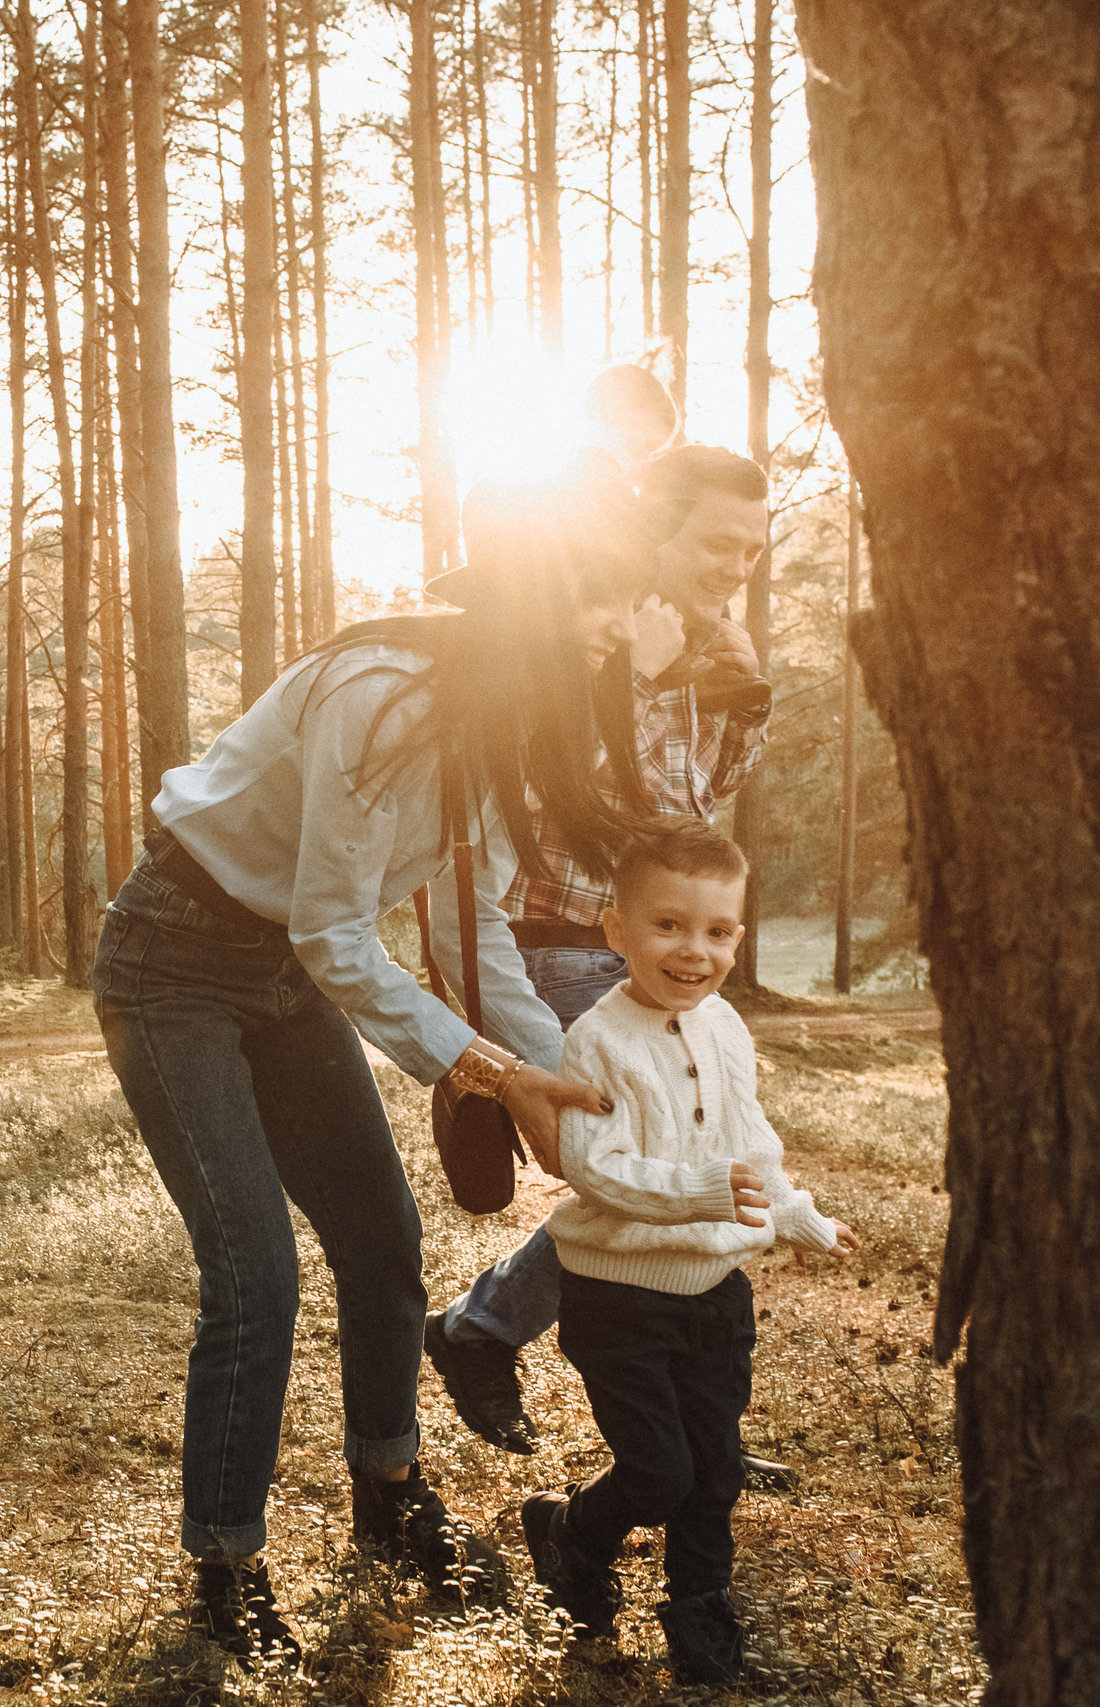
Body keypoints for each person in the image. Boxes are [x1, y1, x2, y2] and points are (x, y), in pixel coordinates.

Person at [90, 468, 669, 1662]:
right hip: (176, 959)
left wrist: (558, 1075)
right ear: (536, 604)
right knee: (254, 1273)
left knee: (382, 1240)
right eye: (607, 599)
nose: (622, 626)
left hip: (288, 976)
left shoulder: (504, 721)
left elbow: (471, 930)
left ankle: (388, 1496)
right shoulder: (381, 691)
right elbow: (335, 930)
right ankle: (226, 1564)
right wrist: (484, 1074)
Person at [424, 441, 777, 1457]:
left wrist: (734, 689)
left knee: (697, 1156)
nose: (732, 568)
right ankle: (513, 1341)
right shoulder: (586, 636)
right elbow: (615, 822)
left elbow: (706, 807)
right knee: (667, 1157)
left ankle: (493, 1333)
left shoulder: (707, 643)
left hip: (643, 954)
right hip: (559, 945)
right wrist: (657, 679)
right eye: (715, 543)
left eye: (751, 551)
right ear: (649, 535)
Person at [510, 827, 857, 1681]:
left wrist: (798, 1214)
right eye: (668, 925)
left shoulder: (726, 1025)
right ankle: (570, 1531)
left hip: (714, 1295)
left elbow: (752, 1142)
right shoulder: (599, 1039)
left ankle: (704, 1636)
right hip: (620, 1299)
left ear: (738, 934)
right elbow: (593, 1165)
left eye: (718, 931)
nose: (694, 951)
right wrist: (702, 1189)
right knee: (659, 1470)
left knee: (714, 1471)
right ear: (616, 931)